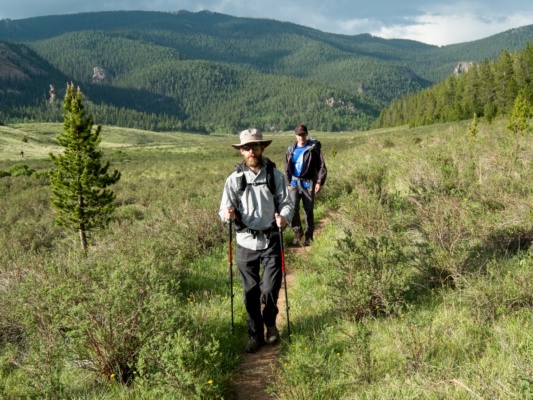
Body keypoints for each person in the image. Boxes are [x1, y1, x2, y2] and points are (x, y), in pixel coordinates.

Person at [219, 128, 294, 353]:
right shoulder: (234, 180)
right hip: (244, 242)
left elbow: (287, 203)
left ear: (262, 148)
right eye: (246, 148)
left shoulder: (276, 176)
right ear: (241, 151)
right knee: (250, 292)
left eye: (255, 146)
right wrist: (227, 215)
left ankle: (270, 324)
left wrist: (285, 217)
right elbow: (224, 209)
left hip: (271, 239)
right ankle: (255, 335)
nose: (251, 151)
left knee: (270, 288)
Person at [285, 124, 327, 246]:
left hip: (308, 183)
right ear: (295, 136)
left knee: (308, 210)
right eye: (299, 135)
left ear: (306, 134)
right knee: (293, 209)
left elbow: (322, 167)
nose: (301, 137)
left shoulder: (313, 148)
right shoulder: (290, 149)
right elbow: (287, 167)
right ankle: (298, 233)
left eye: (303, 134)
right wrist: (288, 182)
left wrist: (319, 182)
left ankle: (309, 237)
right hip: (293, 183)